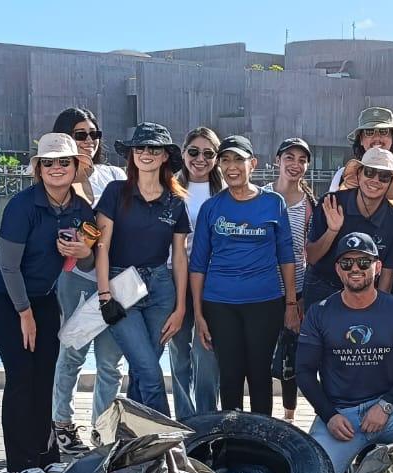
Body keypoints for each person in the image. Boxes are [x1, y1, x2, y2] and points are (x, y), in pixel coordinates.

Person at [0, 133, 91, 473]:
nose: (56, 168)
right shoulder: (22, 206)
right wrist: (24, 314)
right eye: (48, 163)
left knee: (46, 372)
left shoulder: (83, 210)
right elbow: (8, 268)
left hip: (43, 297)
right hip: (3, 295)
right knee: (21, 374)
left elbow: (89, 260)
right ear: (38, 169)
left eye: (63, 162)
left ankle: (47, 453)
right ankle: (20, 459)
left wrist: (81, 253)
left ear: (75, 168)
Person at [297, 233, 393, 473]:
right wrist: (329, 415)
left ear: (377, 267)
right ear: (338, 270)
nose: (355, 269)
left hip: (388, 407)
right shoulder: (319, 313)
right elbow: (303, 372)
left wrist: (386, 404)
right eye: (347, 263)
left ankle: (387, 458)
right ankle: (348, 461)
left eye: (364, 262)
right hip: (341, 415)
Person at [189, 135, 301, 415]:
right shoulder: (211, 208)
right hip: (220, 304)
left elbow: (286, 256)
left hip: (264, 302)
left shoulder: (273, 203)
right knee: (230, 375)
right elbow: (198, 263)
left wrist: (290, 304)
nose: (231, 167)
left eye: (238, 159)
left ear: (253, 163)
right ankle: (232, 442)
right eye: (225, 160)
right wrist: (199, 313)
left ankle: (263, 443)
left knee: (260, 374)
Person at [93, 123, 190, 416]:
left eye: (153, 148)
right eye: (140, 148)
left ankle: (134, 442)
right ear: (132, 155)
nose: (146, 153)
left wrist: (180, 308)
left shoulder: (175, 202)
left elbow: (180, 257)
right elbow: (102, 247)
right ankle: (168, 443)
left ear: (164, 157)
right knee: (149, 371)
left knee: (140, 370)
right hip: (121, 286)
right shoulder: (115, 192)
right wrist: (104, 295)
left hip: (161, 289)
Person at [49, 107, 127, 454]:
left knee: (111, 362)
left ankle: (103, 433)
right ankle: (62, 424)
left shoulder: (114, 175)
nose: (89, 142)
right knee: (72, 355)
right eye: (80, 135)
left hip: (117, 279)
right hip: (78, 278)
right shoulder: (57, 175)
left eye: (94, 135)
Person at [328, 107, 393, 298]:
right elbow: (331, 229)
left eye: (384, 132)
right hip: (351, 274)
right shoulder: (341, 176)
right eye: (369, 132)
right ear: (360, 139)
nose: (377, 138)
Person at [305, 147, 393, 309]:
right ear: (359, 174)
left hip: (365, 294)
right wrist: (332, 231)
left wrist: (377, 314)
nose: (375, 180)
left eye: (383, 176)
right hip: (322, 286)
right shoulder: (330, 202)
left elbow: (386, 280)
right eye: (369, 172)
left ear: (390, 182)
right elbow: (311, 257)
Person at [169, 127, 224, 420]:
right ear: (183, 153)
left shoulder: (225, 192)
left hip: (211, 281)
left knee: (206, 352)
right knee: (178, 352)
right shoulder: (169, 188)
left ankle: (206, 417)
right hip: (173, 277)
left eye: (208, 153)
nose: (200, 159)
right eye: (193, 152)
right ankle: (183, 418)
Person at [267, 137, 318, 421]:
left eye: (302, 160)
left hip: (296, 287)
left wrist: (297, 300)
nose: (295, 165)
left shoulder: (311, 204)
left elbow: (310, 251)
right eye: (289, 158)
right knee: (260, 352)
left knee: (291, 355)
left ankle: (289, 417)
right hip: (261, 286)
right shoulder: (260, 195)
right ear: (277, 160)